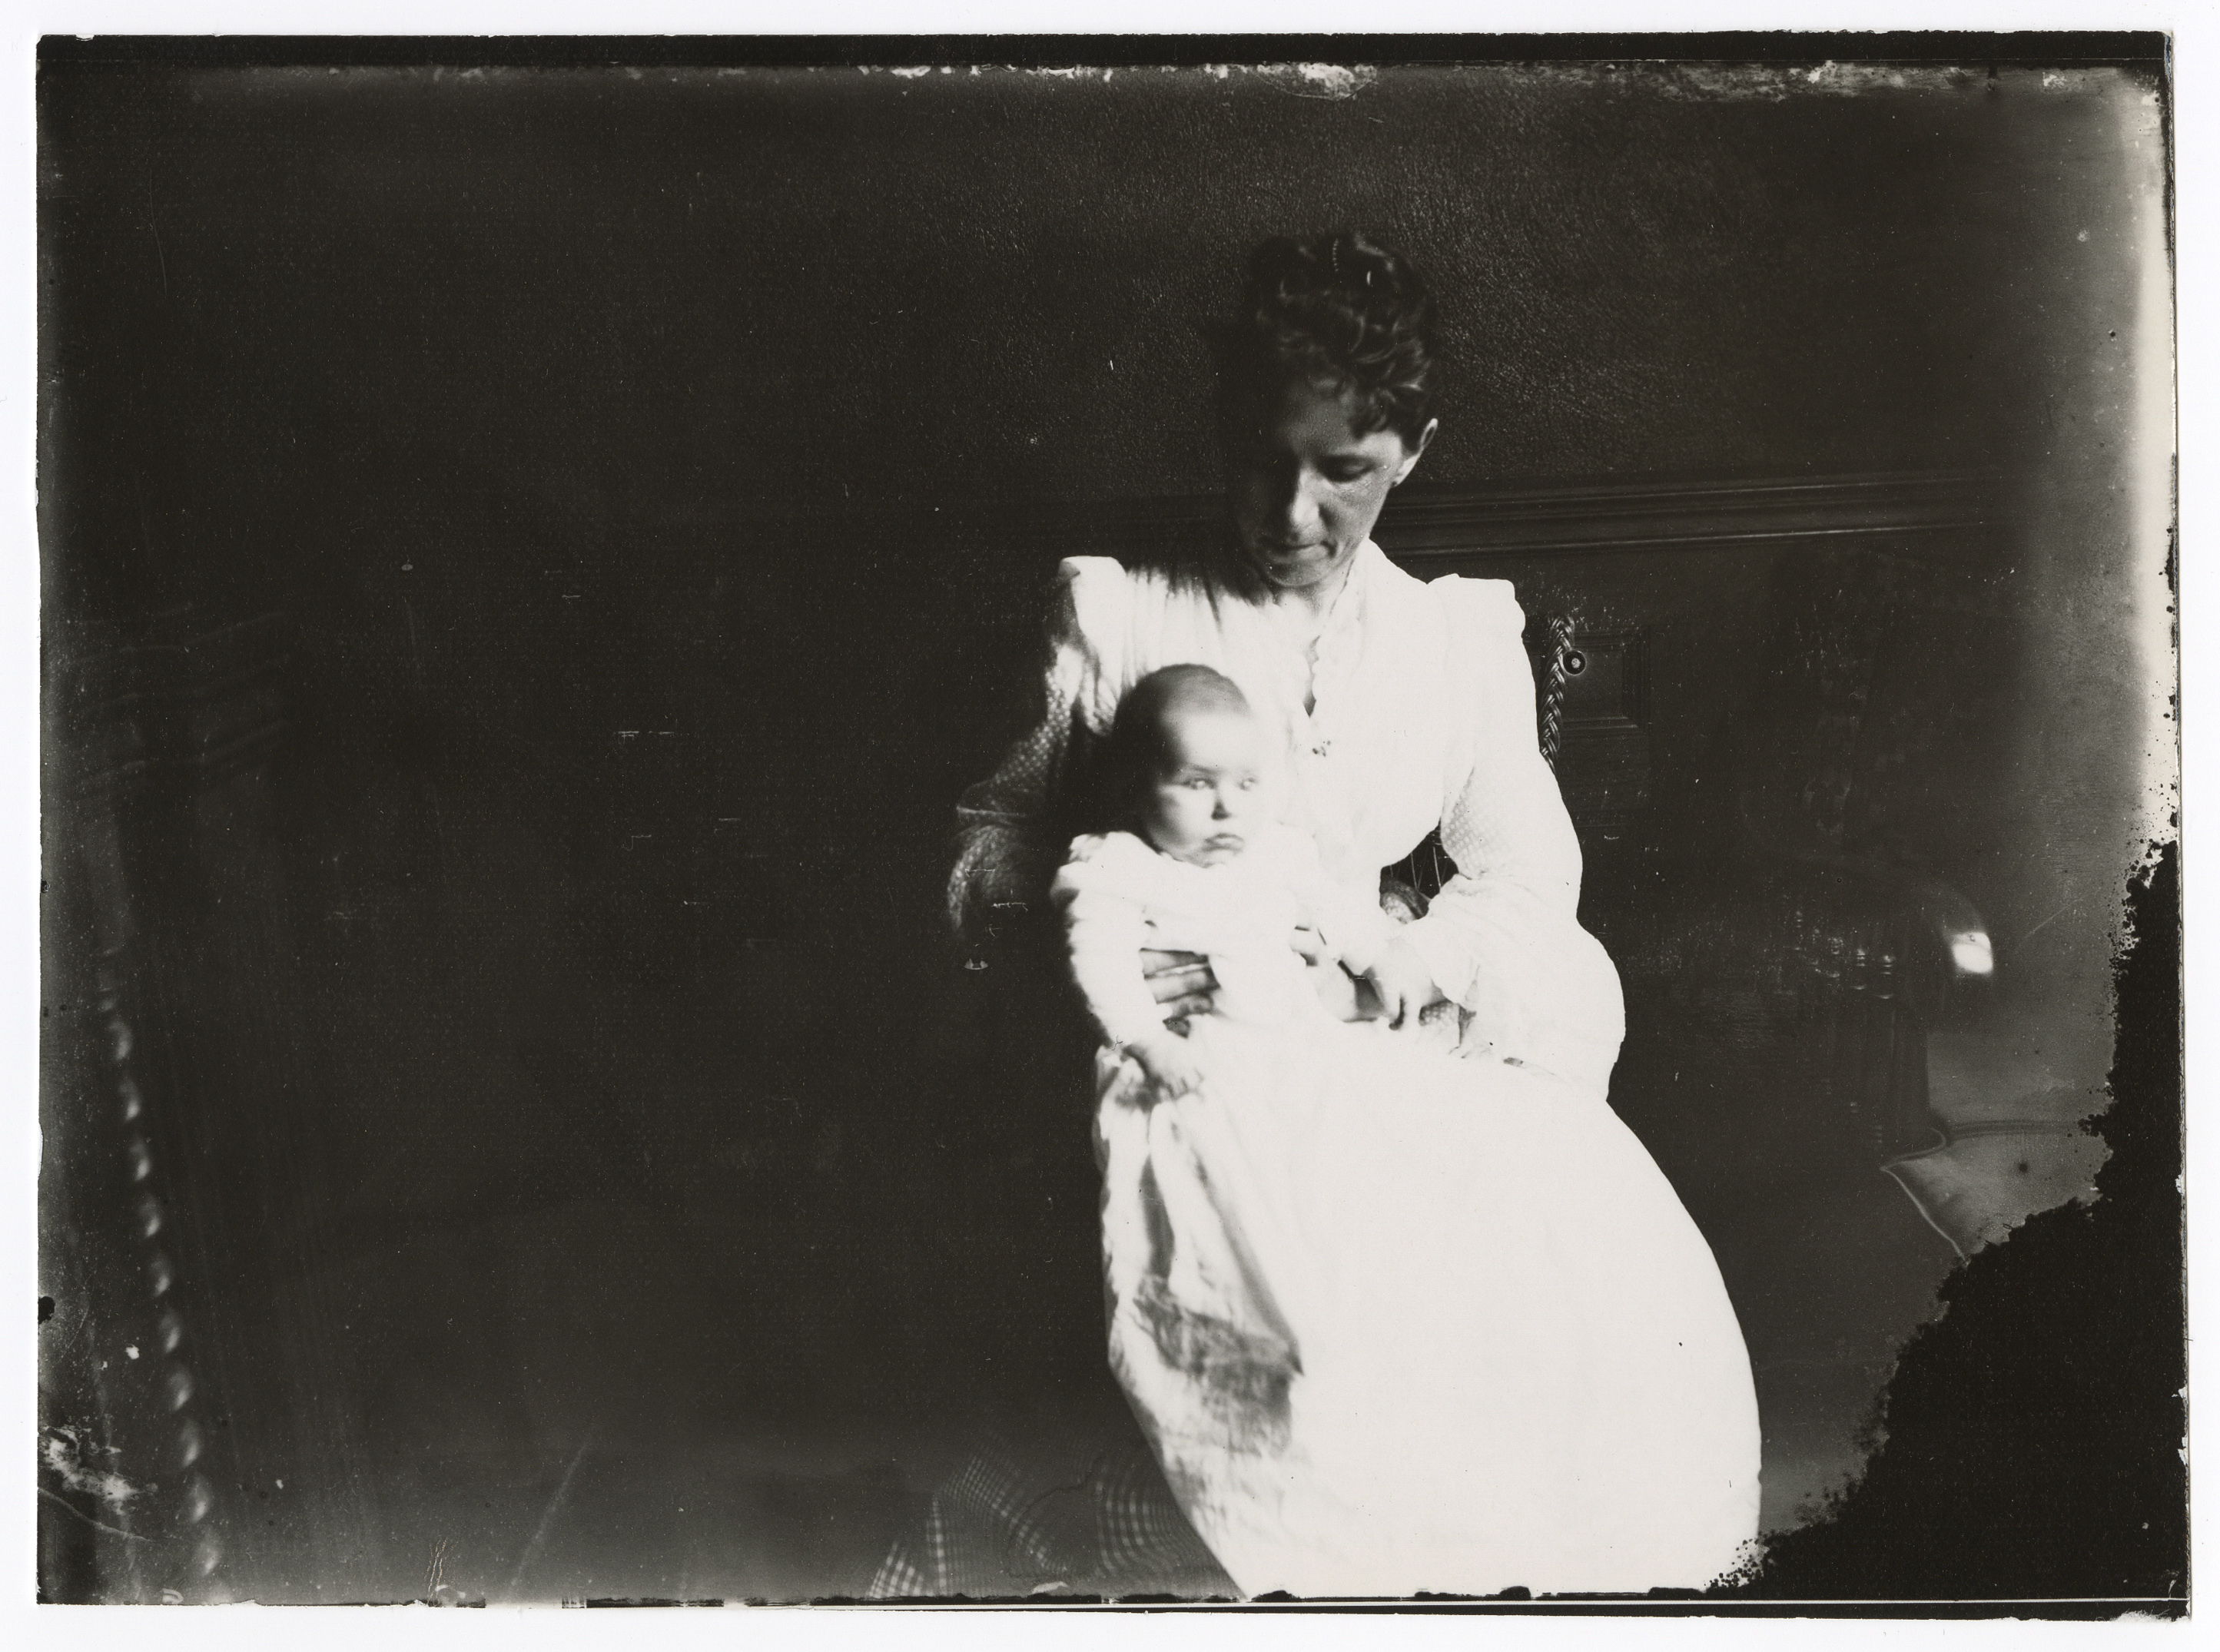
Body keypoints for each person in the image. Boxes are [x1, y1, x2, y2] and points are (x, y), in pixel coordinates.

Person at [871, 231, 1758, 1598]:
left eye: (1342, 469)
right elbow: (989, 840)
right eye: (1259, 459)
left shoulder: (1453, 641)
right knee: (1298, 1310)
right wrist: (1099, 934)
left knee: (1575, 1269)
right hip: (1176, 1046)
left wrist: (1396, 964)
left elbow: (1526, 880)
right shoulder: (1118, 612)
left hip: (1371, 1022)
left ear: (1414, 450)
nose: (1290, 514)